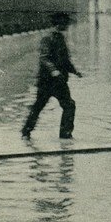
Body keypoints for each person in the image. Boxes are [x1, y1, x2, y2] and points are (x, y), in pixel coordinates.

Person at [21, 11, 82, 140]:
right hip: (47, 81)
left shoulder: (60, 38)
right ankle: (26, 131)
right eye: (65, 23)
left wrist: (75, 71)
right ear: (59, 24)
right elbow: (44, 58)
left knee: (69, 105)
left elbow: (65, 60)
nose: (67, 26)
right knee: (39, 106)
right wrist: (53, 70)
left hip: (59, 81)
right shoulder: (47, 38)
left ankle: (65, 134)